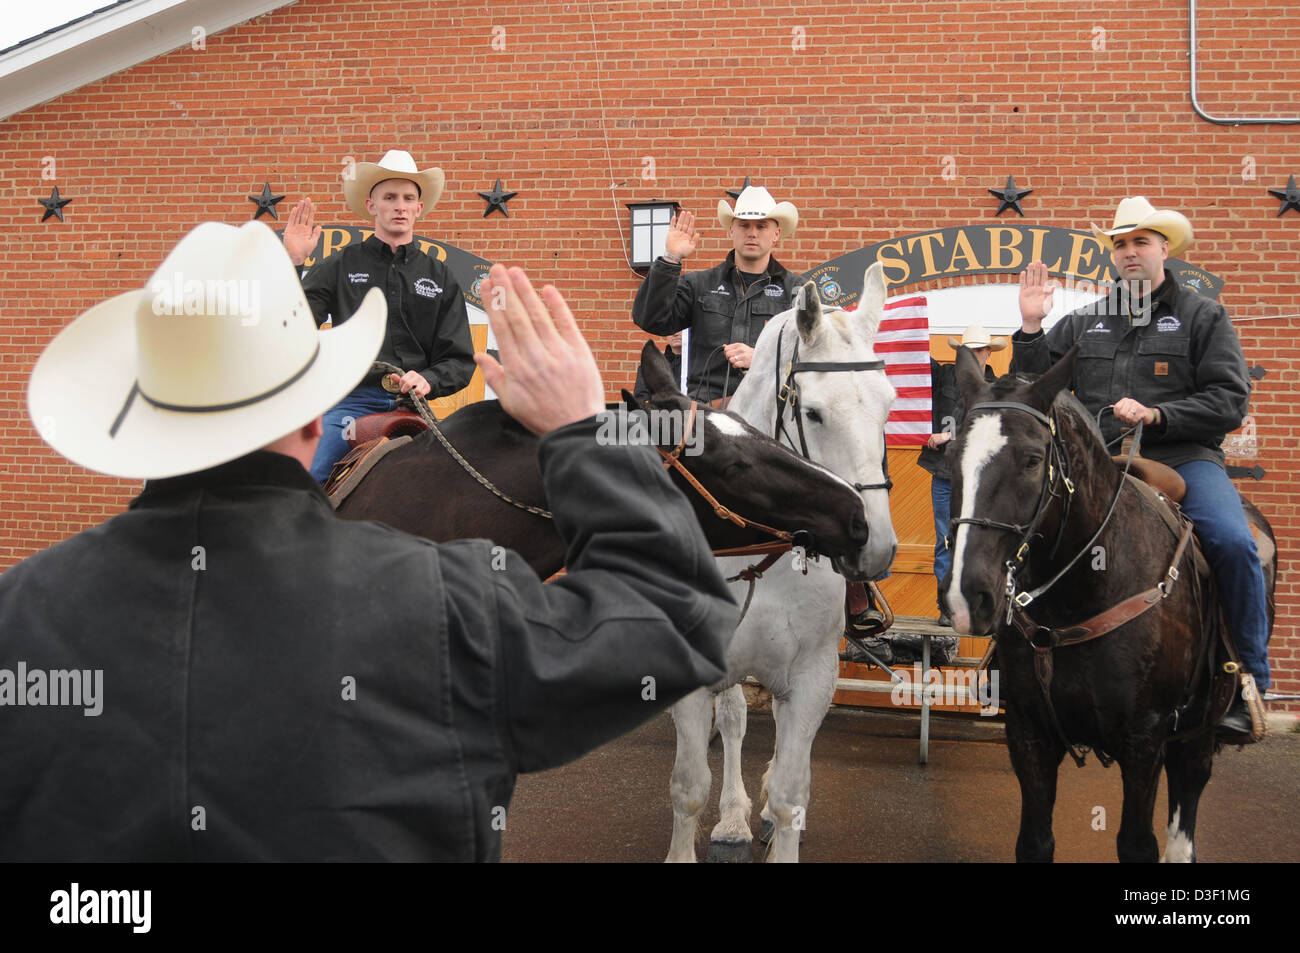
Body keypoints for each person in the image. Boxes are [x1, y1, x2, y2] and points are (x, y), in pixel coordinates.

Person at [0, 220, 738, 861]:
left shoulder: (17, 616)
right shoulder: (452, 602)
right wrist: (584, 431)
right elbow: (677, 614)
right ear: (315, 418)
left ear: (136, 426)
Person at [1011, 196, 1268, 739]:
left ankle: (1246, 682)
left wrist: (1159, 413)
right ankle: (1009, 669)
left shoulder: (1204, 315)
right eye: (1121, 244)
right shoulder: (1086, 322)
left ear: (1164, 249)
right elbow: (1033, 388)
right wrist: (1032, 327)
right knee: (1020, 529)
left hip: (1183, 459)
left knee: (1235, 543)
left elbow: (1230, 400)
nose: (1129, 252)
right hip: (1101, 465)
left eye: (1140, 242)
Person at [282, 149, 476, 483]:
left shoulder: (440, 276)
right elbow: (292, 329)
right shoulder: (343, 264)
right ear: (372, 205)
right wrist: (292, 263)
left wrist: (429, 379)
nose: (400, 205)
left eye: (408, 198)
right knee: (309, 479)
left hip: (415, 405)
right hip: (353, 404)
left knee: (461, 486)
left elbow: (459, 360)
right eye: (390, 197)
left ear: (419, 207)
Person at [631, 186, 801, 405]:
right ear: (732, 230)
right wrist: (671, 258)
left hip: (769, 417)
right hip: (706, 419)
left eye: (761, 226)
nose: (752, 233)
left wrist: (762, 359)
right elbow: (650, 319)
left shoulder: (797, 291)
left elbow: (813, 357)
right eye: (744, 225)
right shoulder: (698, 284)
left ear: (776, 233)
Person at [919, 325, 1005, 625]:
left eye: (977, 350)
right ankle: (948, 607)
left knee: (981, 540)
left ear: (987, 353)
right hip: (945, 475)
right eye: (965, 351)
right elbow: (914, 361)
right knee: (945, 540)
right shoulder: (944, 375)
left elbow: (989, 429)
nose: (971, 356)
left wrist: (947, 436)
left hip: (981, 479)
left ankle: (981, 605)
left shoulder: (998, 387)